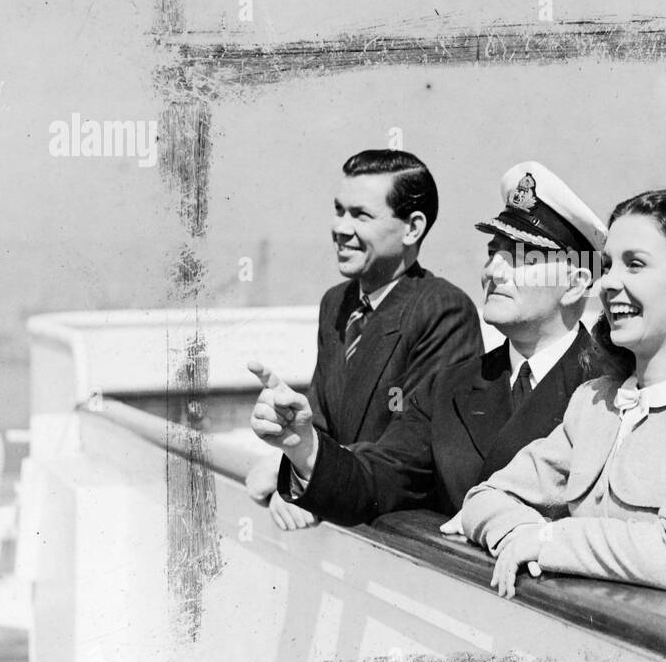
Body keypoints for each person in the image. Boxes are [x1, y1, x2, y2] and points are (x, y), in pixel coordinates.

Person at [461, 189, 666, 608]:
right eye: (609, 265)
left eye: (635, 264)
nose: (610, 281)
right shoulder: (595, 402)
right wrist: (517, 534)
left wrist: (545, 539)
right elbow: (484, 498)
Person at [249, 162, 607, 528]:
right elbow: (381, 477)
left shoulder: (612, 390)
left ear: (576, 283)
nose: (492, 271)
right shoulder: (448, 387)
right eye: (492, 253)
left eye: (518, 256)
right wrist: (304, 448)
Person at [246, 149, 483, 512]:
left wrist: (313, 476)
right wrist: (294, 461)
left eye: (361, 215)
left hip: (401, 539)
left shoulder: (444, 309)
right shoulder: (336, 303)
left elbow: (411, 454)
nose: (340, 228)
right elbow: (322, 424)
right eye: (339, 210)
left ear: (413, 228)